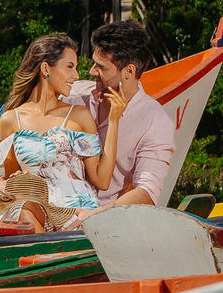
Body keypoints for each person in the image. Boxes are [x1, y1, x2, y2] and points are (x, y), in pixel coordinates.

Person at [0, 34, 126, 235]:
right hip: (34, 207)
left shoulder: (79, 116)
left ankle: (48, 248)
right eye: (70, 67)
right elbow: (11, 177)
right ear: (46, 69)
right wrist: (6, 185)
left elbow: (102, 180)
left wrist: (114, 121)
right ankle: (50, 249)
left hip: (74, 209)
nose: (76, 76)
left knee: (11, 224)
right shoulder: (10, 120)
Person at [66, 20, 176, 222]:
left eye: (101, 67)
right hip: (55, 211)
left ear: (129, 71)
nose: (92, 71)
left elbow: (147, 191)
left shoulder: (156, 122)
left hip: (104, 222)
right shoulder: (74, 95)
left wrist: (97, 215)